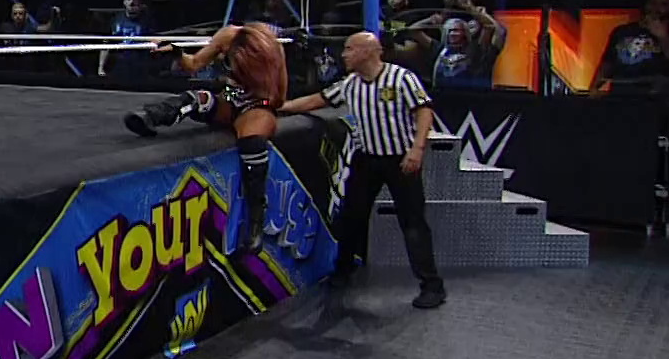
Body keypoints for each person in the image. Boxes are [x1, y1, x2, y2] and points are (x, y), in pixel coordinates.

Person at [280, 31, 446, 309]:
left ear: (368, 51)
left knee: (413, 223)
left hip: (400, 159)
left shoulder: (401, 78)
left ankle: (432, 285)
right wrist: (280, 107)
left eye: (349, 48)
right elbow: (316, 100)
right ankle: (343, 270)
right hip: (367, 158)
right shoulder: (350, 84)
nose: (344, 55)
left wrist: (417, 148)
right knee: (351, 217)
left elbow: (424, 110)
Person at [124, 23, 288, 254]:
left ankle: (255, 223)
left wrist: (255, 101)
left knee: (252, 143)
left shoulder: (273, 52)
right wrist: (177, 53)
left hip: (258, 102)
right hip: (231, 94)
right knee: (199, 99)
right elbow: (193, 64)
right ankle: (150, 117)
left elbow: (278, 99)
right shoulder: (227, 36)